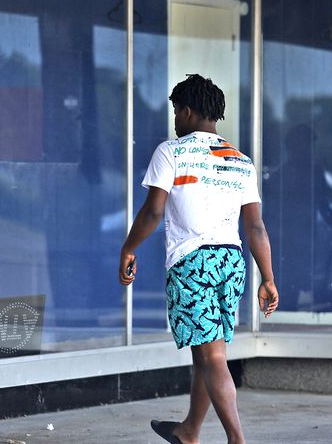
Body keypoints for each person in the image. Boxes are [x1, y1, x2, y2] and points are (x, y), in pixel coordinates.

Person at [119, 74, 278, 444]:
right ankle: (189, 430)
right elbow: (255, 227)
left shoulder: (171, 152)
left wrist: (129, 247)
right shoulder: (240, 161)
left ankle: (236, 439)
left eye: (176, 111)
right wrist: (267, 278)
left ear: (187, 111)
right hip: (231, 262)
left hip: (193, 263)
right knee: (207, 353)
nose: (175, 119)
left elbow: (153, 212)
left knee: (212, 357)